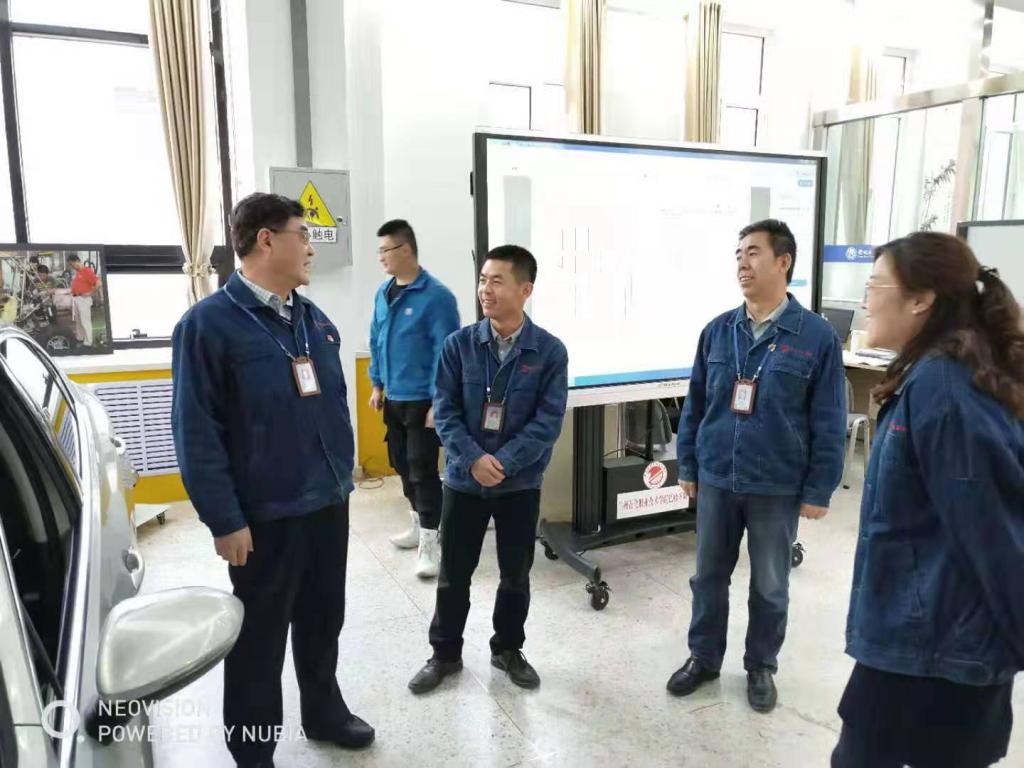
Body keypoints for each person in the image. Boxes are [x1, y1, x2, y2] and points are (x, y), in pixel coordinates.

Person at [172, 193, 374, 768]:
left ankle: (324, 712)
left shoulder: (313, 320)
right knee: (259, 638)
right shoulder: (208, 326)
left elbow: (329, 404)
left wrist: (341, 480)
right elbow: (196, 432)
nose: (311, 247)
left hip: (326, 501)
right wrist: (224, 519)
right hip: (265, 515)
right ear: (266, 240)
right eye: (302, 235)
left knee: (323, 618)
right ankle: (253, 748)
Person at [831, 232, 1024, 768]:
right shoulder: (932, 374)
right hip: (918, 635)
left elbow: (994, 535)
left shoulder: (945, 387)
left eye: (875, 285)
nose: (866, 300)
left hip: (939, 652)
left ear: (921, 299)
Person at [667, 219, 847, 713]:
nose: (742, 264)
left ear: (783, 262)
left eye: (753, 253)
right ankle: (703, 658)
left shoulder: (816, 337)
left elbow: (829, 419)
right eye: (738, 254)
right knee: (708, 577)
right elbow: (696, 405)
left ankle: (761, 665)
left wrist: (819, 489)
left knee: (770, 583)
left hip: (777, 483)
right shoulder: (717, 330)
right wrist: (688, 465)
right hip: (717, 477)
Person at [407, 245, 568, 694]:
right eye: (482, 280)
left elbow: (548, 422)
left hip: (520, 484)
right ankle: (444, 653)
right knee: (453, 574)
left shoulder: (550, 352)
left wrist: (504, 463)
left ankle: (508, 648)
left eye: (497, 281)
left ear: (525, 289)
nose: (485, 290)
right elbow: (445, 411)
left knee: (515, 574)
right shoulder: (458, 346)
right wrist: (473, 460)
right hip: (464, 481)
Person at [369, 219, 460, 578]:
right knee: (400, 463)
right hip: (394, 396)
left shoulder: (437, 297)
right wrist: (376, 384)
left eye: (385, 250)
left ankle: (431, 542)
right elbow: (376, 338)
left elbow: (446, 353)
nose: (381, 258)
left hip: (424, 401)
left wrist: (440, 402)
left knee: (422, 470)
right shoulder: (384, 292)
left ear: (405, 250)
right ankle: (417, 521)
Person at [68, 254, 100, 348]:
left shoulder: (87, 271)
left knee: (85, 321)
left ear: (77, 261)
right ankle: (80, 338)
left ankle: (88, 342)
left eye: (72, 264)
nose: (72, 266)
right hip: (77, 298)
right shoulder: (78, 272)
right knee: (78, 321)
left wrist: (90, 292)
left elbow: (98, 283)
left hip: (83, 299)